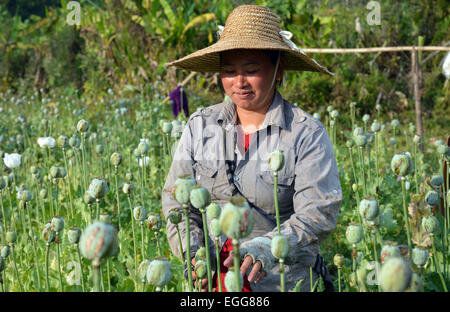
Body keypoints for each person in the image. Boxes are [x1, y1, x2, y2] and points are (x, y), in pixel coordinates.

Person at [162, 4, 341, 292]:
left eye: (251, 70)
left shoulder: (305, 133)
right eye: (229, 71)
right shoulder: (200, 126)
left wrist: (267, 248)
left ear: (278, 67)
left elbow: (318, 213)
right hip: (215, 284)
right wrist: (194, 256)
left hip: (282, 282)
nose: (239, 82)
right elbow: (177, 202)